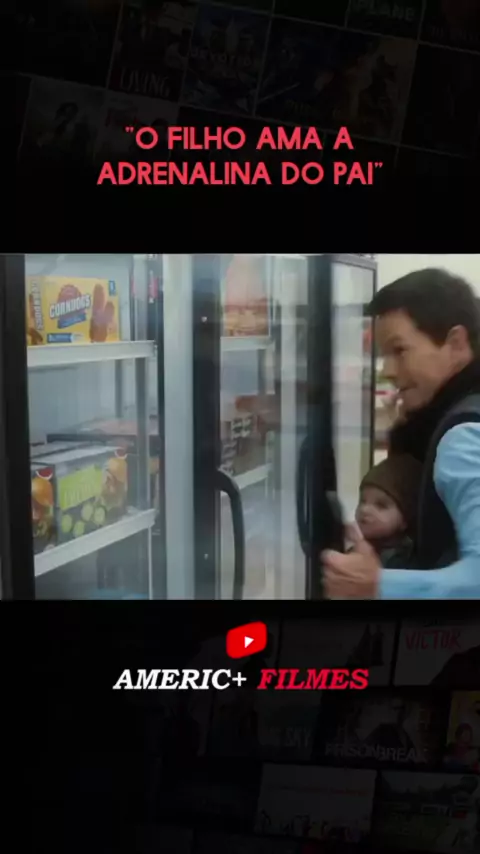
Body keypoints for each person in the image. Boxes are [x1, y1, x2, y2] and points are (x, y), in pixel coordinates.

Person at [322, 268, 480, 599]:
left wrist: (376, 585)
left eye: (399, 351)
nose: (388, 371)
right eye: (384, 356)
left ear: (456, 343)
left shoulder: (462, 437)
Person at [355, 454, 422, 568]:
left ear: (405, 519)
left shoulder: (407, 561)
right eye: (362, 501)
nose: (364, 509)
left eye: (380, 505)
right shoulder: (356, 546)